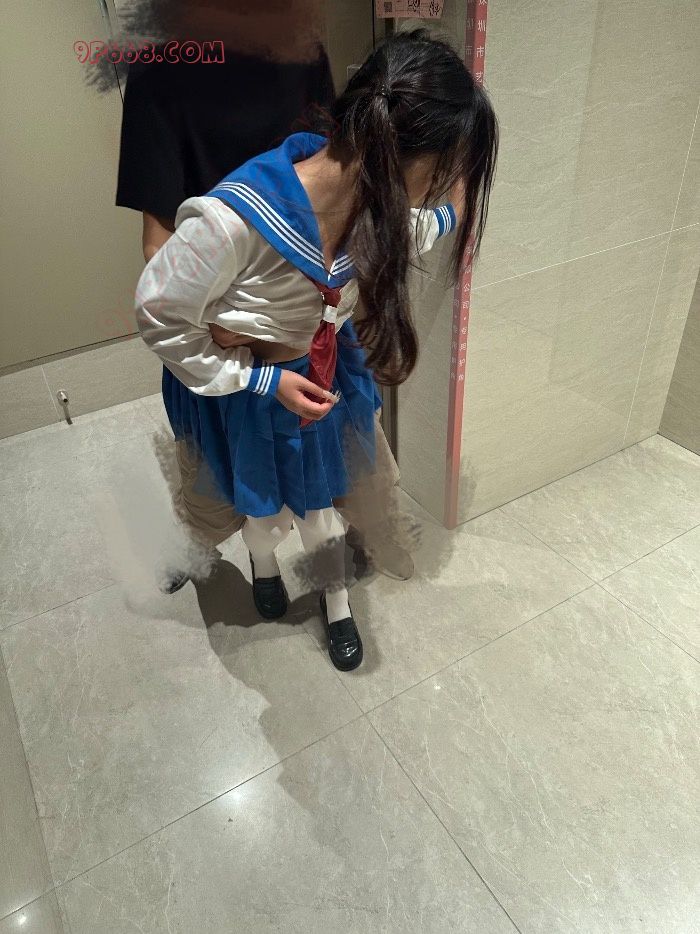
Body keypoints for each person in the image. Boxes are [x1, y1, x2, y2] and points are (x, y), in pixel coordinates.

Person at [134, 29, 498, 670]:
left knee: (322, 513)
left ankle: (336, 603)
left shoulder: (376, 208)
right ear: (401, 154)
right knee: (261, 511)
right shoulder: (232, 223)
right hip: (249, 387)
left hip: (323, 379)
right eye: (445, 169)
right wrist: (257, 376)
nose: (444, 185)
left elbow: (423, 225)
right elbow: (159, 314)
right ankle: (264, 572)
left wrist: (457, 198)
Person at [115, 19, 412, 587]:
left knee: (347, 452)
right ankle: (213, 545)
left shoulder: (302, 48)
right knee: (223, 475)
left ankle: (362, 537)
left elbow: (335, 174)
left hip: (310, 308)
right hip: (222, 324)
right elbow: (159, 242)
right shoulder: (158, 70)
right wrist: (234, 330)